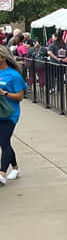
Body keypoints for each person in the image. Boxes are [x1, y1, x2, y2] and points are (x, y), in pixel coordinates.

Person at [0, 45, 27, 184]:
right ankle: (15, 168)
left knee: (3, 141)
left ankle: (2, 173)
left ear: (3, 58)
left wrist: (4, 93)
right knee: (4, 143)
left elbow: (20, 96)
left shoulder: (14, 75)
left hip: (10, 114)